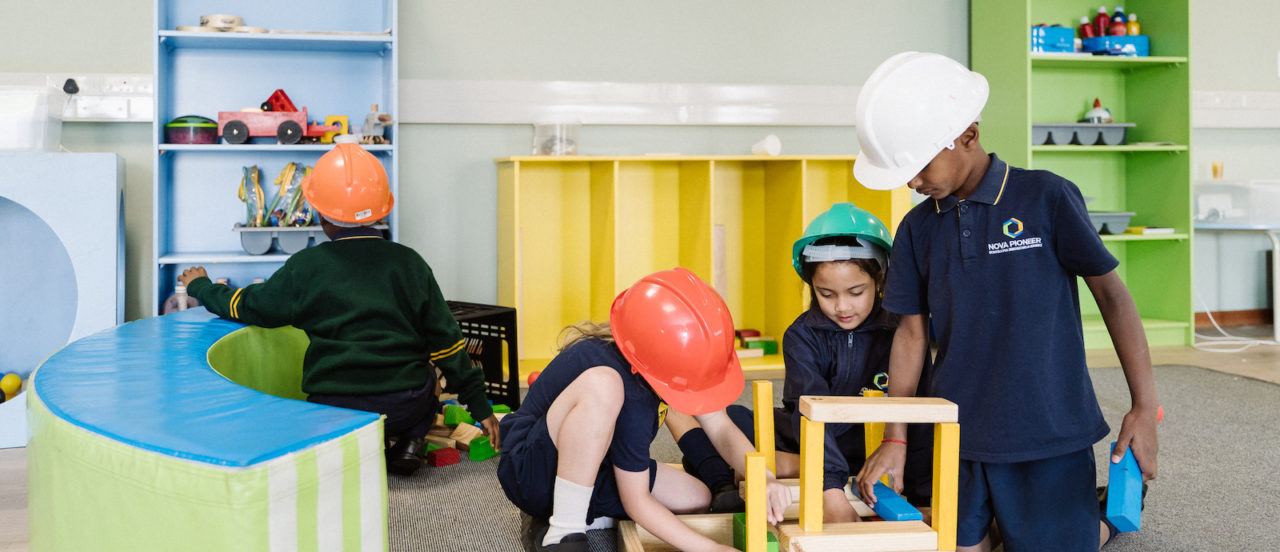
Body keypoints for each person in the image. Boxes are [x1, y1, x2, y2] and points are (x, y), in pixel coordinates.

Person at [850, 52, 1159, 551]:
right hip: (958, 433)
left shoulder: (1048, 197)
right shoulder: (915, 228)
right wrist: (896, 437)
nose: (912, 182)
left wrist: (1144, 407)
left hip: (1049, 431)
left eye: (920, 165)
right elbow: (910, 334)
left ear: (968, 135)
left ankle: (1105, 518)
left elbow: (1113, 297)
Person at [177, 141, 498, 477]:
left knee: (338, 415)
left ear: (320, 214)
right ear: (382, 211)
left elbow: (249, 306)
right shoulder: (410, 263)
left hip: (334, 410)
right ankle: (410, 442)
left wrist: (201, 286)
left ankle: (356, 446)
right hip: (404, 405)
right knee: (430, 377)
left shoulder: (306, 266)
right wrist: (479, 405)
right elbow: (447, 343)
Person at [670, 202, 934, 524]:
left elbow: (920, 415)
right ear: (811, 286)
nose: (842, 307)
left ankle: (767, 468)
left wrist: (922, 496)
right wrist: (830, 491)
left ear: (880, 280)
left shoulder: (903, 335)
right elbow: (807, 412)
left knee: (922, 432)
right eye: (826, 294)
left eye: (855, 292)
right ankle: (772, 469)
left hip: (875, 447)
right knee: (734, 418)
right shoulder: (801, 335)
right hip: (813, 441)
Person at [496, 268, 791, 552]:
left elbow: (721, 426)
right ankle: (564, 529)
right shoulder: (627, 388)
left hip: (596, 466)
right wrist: (710, 548)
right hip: (532, 474)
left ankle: (582, 511)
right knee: (604, 384)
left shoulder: (651, 366)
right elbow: (636, 500)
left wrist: (764, 477)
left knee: (697, 498)